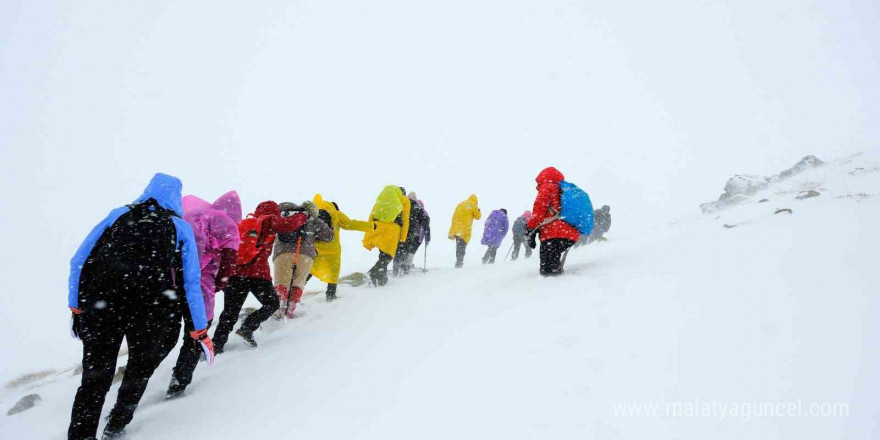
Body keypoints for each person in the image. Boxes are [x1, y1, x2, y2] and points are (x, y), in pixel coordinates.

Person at [67, 173, 213, 440]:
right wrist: (198, 329)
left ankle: (81, 435)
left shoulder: (118, 214)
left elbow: (79, 260)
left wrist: (76, 306)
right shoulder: (179, 226)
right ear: (176, 198)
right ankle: (117, 423)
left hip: (102, 305)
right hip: (150, 309)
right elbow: (190, 283)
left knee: (94, 380)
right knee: (138, 371)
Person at [166, 191, 241, 399]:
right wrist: (220, 283)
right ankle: (178, 383)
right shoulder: (224, 223)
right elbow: (228, 260)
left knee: (167, 333)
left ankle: (139, 379)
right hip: (200, 288)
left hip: (170, 284)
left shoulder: (187, 218)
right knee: (197, 333)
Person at [212, 201, 307, 351]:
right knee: (272, 304)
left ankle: (216, 346)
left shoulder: (243, 224)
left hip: (235, 274)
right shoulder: (268, 220)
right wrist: (304, 215)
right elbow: (290, 224)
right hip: (257, 274)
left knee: (230, 312)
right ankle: (247, 327)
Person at [272, 201, 333, 318]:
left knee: (281, 284)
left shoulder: (281, 215)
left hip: (283, 253)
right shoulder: (310, 217)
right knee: (297, 284)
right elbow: (329, 236)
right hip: (305, 254)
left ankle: (277, 309)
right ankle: (289, 311)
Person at [310, 194, 372, 301]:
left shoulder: (313, 213)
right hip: (332, 249)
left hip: (316, 248)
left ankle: (295, 293)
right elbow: (351, 224)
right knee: (333, 272)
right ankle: (330, 295)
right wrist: (370, 226)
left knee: (309, 270)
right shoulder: (336, 214)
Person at [525, 167, 580, 276]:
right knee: (553, 264)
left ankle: (551, 288)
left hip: (552, 233)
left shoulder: (547, 187)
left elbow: (539, 210)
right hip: (569, 233)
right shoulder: (564, 189)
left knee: (547, 271)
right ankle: (558, 282)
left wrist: (531, 229)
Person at [363, 186, 411, 286]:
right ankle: (372, 272)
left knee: (383, 253)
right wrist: (403, 238)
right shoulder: (405, 200)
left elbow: (372, 214)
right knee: (388, 255)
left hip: (379, 227)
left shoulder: (383, 199)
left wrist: (369, 230)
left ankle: (382, 280)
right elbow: (405, 220)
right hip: (392, 229)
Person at [393, 192, 430, 276]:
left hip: (402, 232)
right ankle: (406, 268)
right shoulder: (419, 208)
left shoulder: (403, 206)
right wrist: (427, 237)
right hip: (414, 234)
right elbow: (425, 222)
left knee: (400, 250)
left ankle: (397, 268)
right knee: (410, 251)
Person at [448, 194, 481, 268]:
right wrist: (478, 211)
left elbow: (454, 216)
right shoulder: (473, 205)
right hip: (464, 228)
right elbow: (478, 217)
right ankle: (459, 263)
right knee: (462, 246)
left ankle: (458, 262)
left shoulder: (460, 204)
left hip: (457, 228)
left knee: (459, 245)